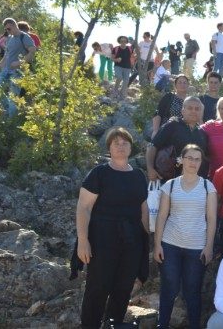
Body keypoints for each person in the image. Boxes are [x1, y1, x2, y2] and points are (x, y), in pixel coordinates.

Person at [76, 128, 148, 329]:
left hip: (131, 240)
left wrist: (145, 245)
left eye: (125, 142)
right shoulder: (99, 173)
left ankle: (112, 325)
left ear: (131, 147)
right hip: (102, 239)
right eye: (116, 142)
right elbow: (83, 207)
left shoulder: (139, 175)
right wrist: (83, 240)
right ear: (109, 147)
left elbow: (143, 210)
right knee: (97, 288)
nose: (121, 146)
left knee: (123, 288)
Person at [154, 145, 218, 329]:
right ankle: (162, 325)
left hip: (197, 247)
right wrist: (157, 244)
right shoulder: (170, 185)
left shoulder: (208, 187)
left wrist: (209, 246)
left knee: (192, 291)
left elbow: (212, 219)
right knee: (169, 288)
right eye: (189, 158)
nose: (193, 162)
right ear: (181, 160)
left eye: (197, 159)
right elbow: (161, 216)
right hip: (170, 244)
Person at [147, 96, 210, 180]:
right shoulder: (172, 125)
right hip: (168, 179)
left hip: (193, 183)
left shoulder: (202, 133)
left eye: (197, 109)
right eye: (190, 108)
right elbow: (153, 146)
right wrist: (150, 169)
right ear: (183, 111)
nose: (193, 111)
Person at [0, 17, 36, 116]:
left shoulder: (24, 37)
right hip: (6, 70)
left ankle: (10, 120)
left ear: (14, 25)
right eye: (6, 30)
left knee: (13, 97)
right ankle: (4, 111)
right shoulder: (10, 38)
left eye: (9, 29)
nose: (7, 31)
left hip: (17, 72)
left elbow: (32, 51)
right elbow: (6, 56)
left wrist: (19, 62)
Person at [151, 75, 190, 140]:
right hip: (167, 131)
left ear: (188, 85)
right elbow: (158, 113)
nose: (182, 84)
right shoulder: (169, 97)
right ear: (175, 85)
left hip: (185, 134)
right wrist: (155, 131)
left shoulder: (190, 101)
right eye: (180, 82)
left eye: (185, 83)